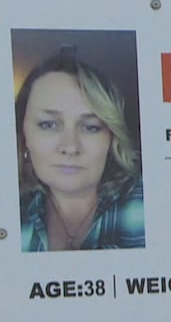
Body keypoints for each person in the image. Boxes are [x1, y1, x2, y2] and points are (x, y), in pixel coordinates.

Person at [15, 47, 145, 251]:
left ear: (111, 138)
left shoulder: (147, 205)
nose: (70, 147)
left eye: (90, 127)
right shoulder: (12, 220)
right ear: (24, 136)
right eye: (49, 124)